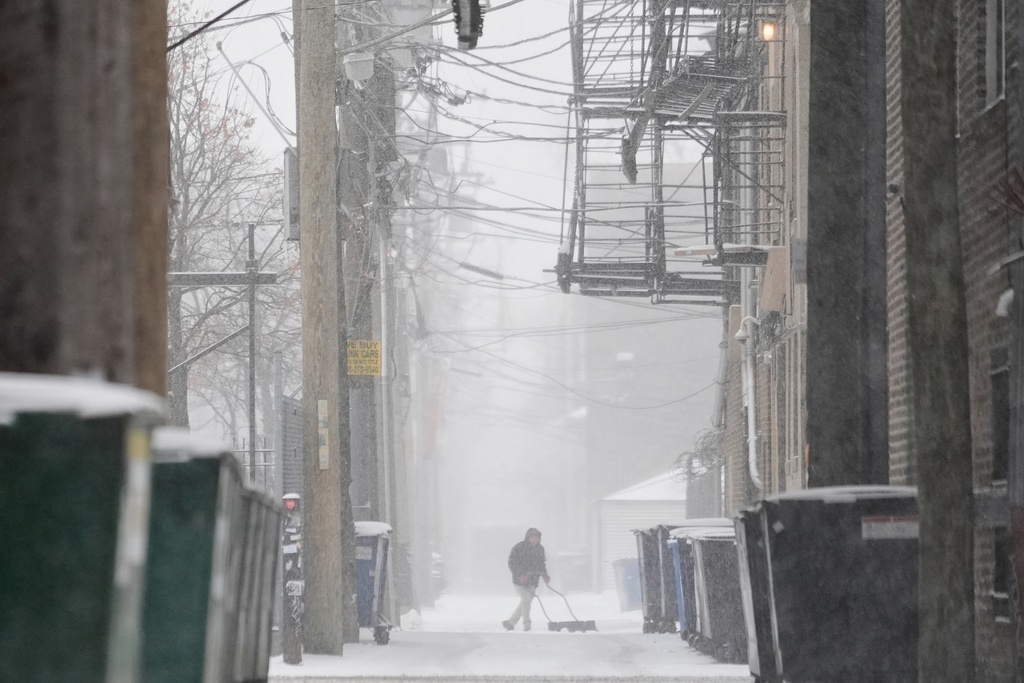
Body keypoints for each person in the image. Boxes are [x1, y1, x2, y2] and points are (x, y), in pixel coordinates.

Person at [502, 527, 550, 631]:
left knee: (525, 603)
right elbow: (512, 564)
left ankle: (510, 622)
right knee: (525, 600)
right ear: (528, 537)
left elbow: (541, 564)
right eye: (532, 537)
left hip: (533, 581)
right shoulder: (519, 547)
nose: (534, 539)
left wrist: (544, 575)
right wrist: (521, 575)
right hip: (519, 582)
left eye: (537, 537)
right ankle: (527, 626)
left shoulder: (540, 549)